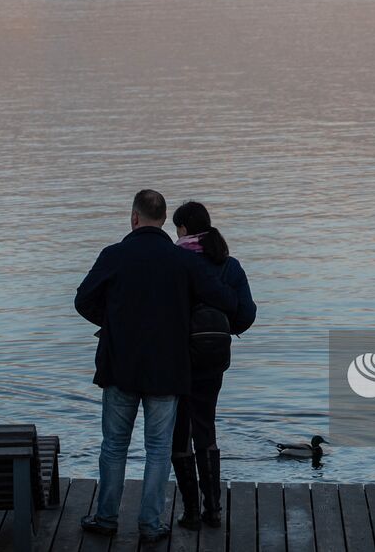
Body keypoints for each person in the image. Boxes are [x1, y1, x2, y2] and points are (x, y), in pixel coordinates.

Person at [74, 189, 238, 542]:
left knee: (114, 446)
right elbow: (225, 300)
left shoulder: (114, 255)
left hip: (120, 367)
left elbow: (83, 300)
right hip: (168, 368)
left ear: (134, 218)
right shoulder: (183, 261)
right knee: (159, 449)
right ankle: (150, 524)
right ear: (164, 220)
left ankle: (106, 518)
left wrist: (115, 323)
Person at [169, 201, 257, 529]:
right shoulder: (229, 265)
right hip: (213, 357)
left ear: (183, 229)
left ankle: (191, 512)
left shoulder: (175, 262)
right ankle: (214, 510)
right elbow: (246, 315)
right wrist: (220, 326)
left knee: (179, 432)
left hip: (177, 357)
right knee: (205, 426)